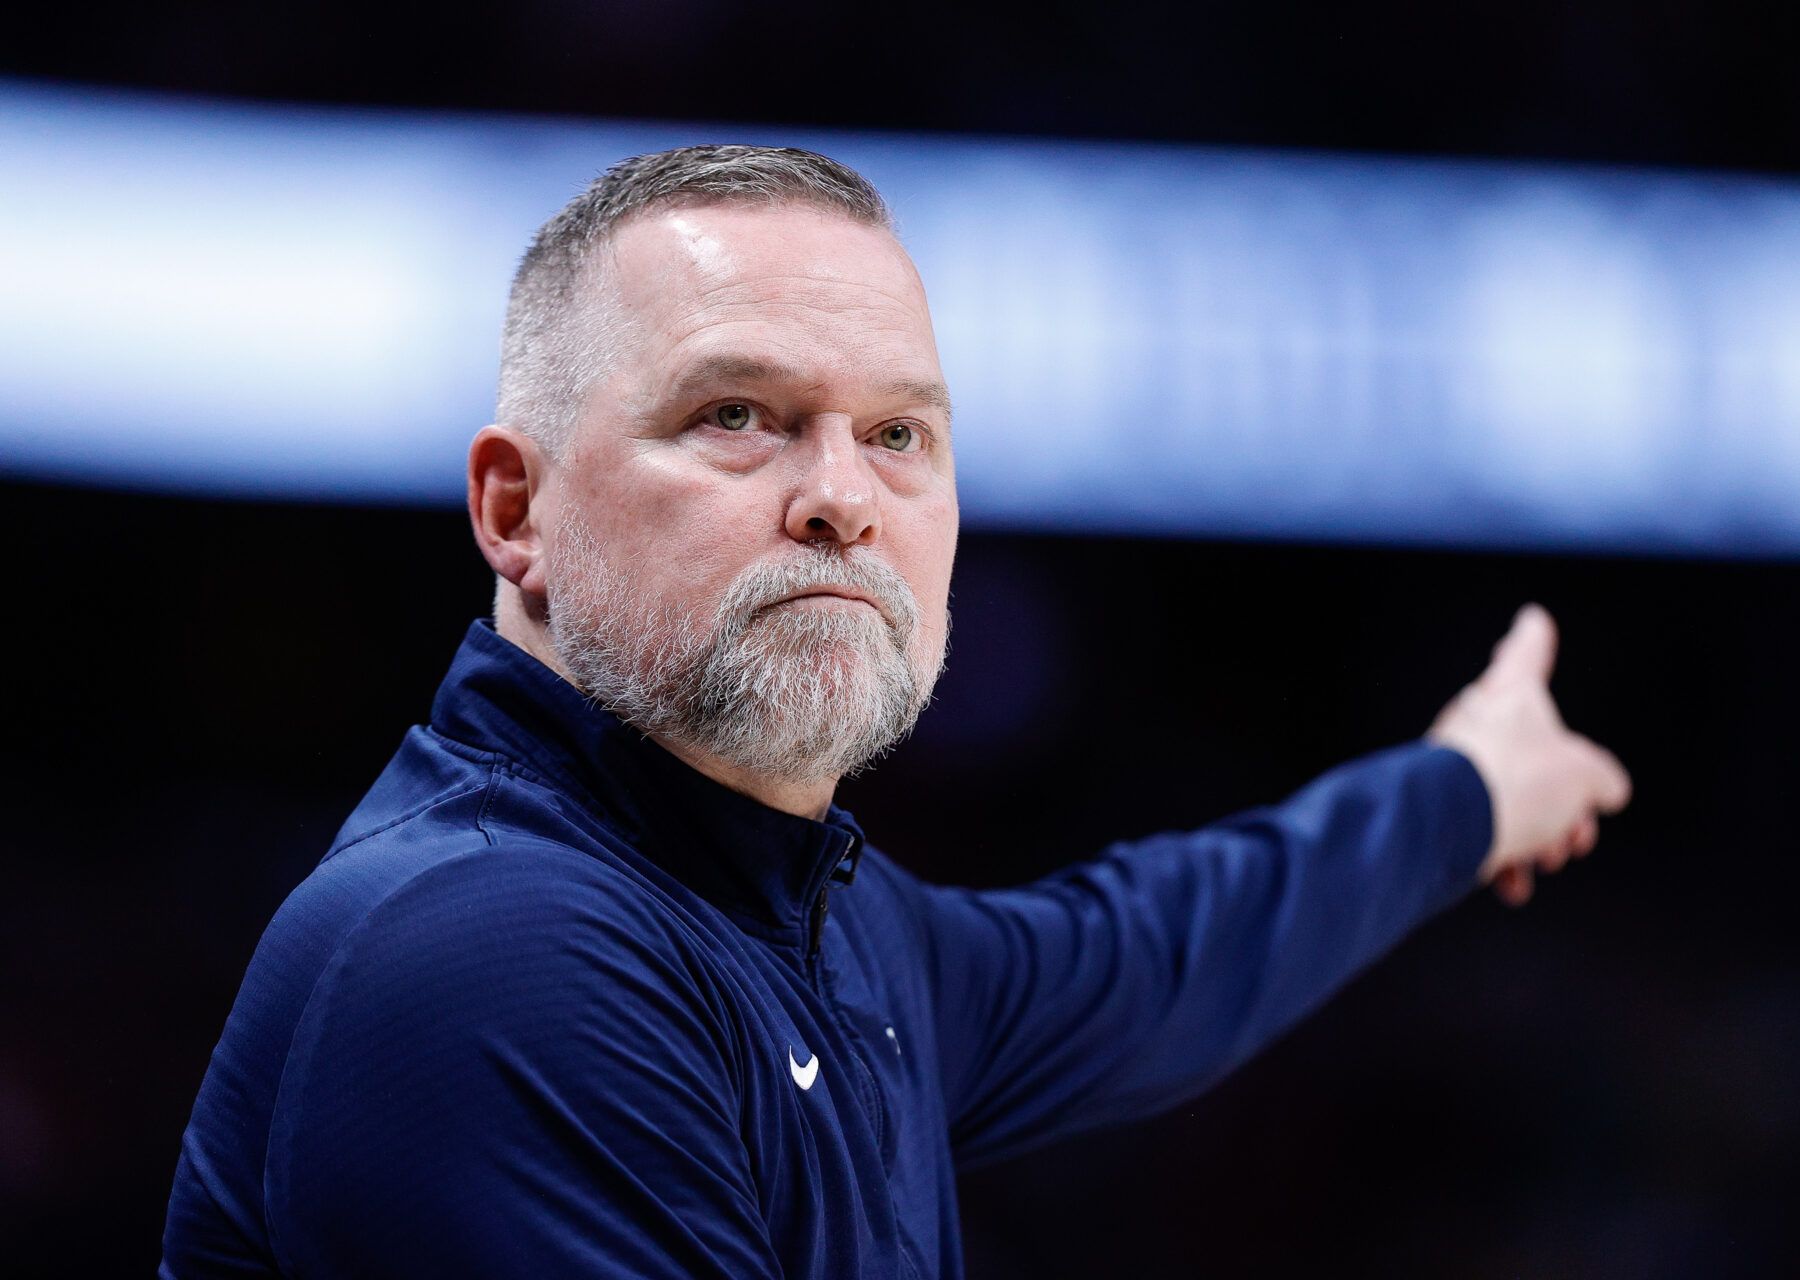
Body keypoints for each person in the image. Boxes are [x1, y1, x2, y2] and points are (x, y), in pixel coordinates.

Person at [161, 145, 1630, 1278]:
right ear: (515, 506)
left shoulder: (805, 921)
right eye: (736, 415)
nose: (841, 498)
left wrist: (1468, 790)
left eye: (898, 435)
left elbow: (1161, 954)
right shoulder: (490, 948)